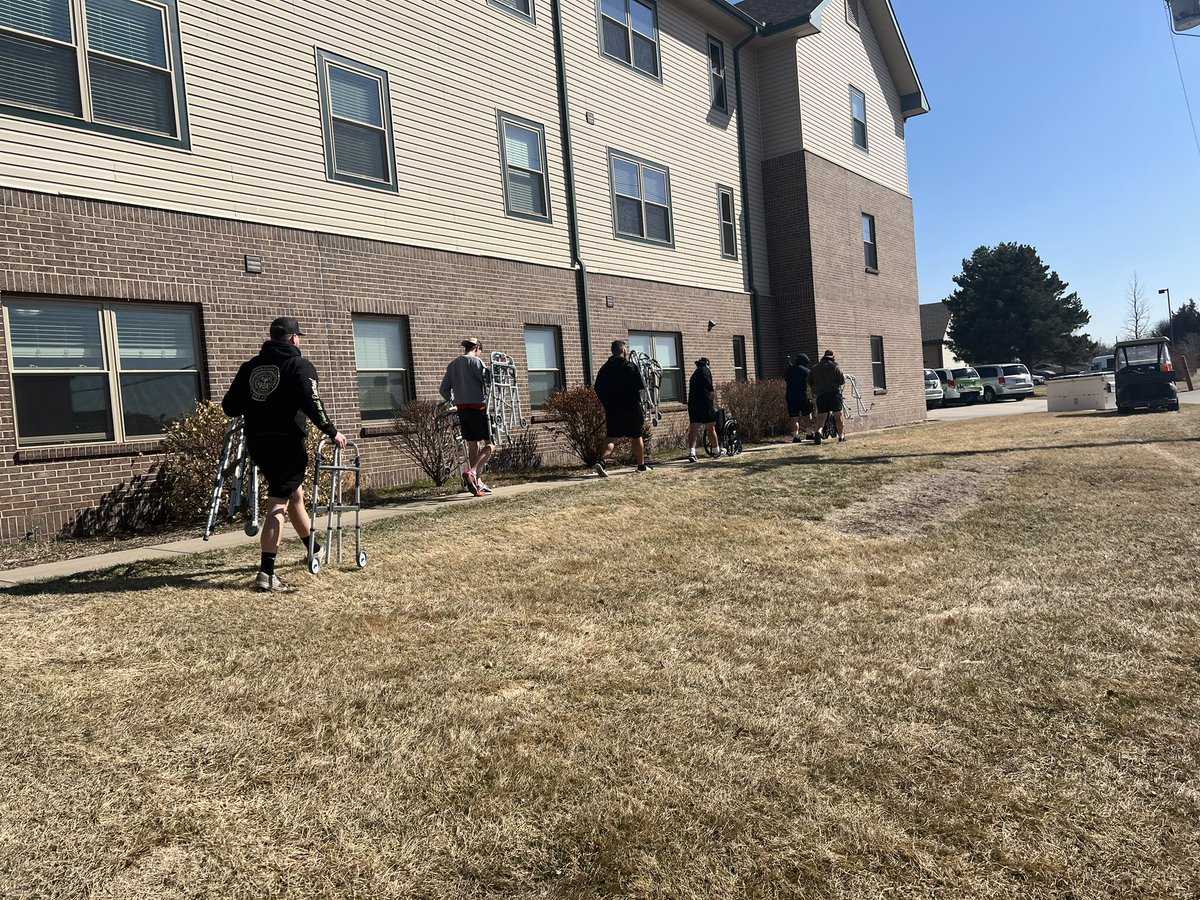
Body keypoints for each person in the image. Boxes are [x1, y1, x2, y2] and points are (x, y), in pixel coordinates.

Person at [222, 317, 347, 593]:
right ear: (293, 339)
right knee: (277, 504)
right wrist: (331, 431)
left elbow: (230, 406)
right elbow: (312, 402)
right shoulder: (299, 366)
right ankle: (266, 575)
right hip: (287, 443)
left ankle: (313, 548)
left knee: (294, 495)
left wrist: (259, 403)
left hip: (259, 443)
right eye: (298, 336)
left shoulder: (250, 367)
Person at [440, 337, 495, 496]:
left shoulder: (453, 365)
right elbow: (489, 381)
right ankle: (473, 472)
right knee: (492, 443)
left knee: (473, 445)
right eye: (480, 352)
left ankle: (477, 483)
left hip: (462, 410)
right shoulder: (476, 362)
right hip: (479, 408)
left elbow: (444, 390)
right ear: (477, 348)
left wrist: (455, 399)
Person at [593, 339, 650, 475]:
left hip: (613, 409)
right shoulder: (630, 366)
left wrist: (606, 402)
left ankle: (601, 462)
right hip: (631, 408)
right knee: (637, 436)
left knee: (611, 437)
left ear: (612, 351)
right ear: (623, 350)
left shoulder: (605, 368)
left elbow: (597, 387)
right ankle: (641, 466)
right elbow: (641, 386)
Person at [686, 358, 722, 463]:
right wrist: (711, 392)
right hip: (705, 403)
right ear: (707, 364)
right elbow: (708, 384)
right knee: (711, 428)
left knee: (694, 428)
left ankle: (692, 452)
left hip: (693, 404)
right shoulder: (705, 370)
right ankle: (716, 451)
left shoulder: (694, 374)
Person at [809, 349, 846, 444]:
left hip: (821, 395)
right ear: (833, 356)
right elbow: (842, 380)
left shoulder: (815, 367)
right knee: (838, 416)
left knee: (821, 417)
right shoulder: (835, 367)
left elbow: (809, 380)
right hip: (834, 395)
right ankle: (841, 436)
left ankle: (818, 432)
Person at [784, 353, 815, 443]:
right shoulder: (806, 371)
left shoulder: (788, 370)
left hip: (790, 397)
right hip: (803, 396)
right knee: (807, 415)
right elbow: (811, 383)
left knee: (793, 417)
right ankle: (809, 433)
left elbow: (786, 379)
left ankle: (796, 436)